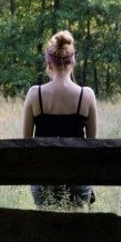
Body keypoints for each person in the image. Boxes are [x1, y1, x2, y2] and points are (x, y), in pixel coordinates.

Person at [22, 30, 98, 210]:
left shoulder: (35, 95)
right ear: (72, 62)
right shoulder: (86, 96)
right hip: (77, 180)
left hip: (43, 181)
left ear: (49, 63)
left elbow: (25, 143)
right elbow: (93, 144)